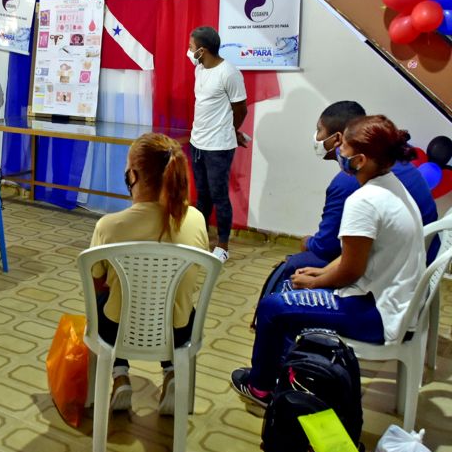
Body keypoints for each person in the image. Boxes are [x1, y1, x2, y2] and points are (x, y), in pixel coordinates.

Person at [232, 115, 425, 406]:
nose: (338, 152)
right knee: (290, 287)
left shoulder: (364, 201)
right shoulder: (391, 184)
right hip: (392, 299)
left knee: (273, 306)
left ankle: (261, 388)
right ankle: (289, 378)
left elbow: (350, 270)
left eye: (344, 147)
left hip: (376, 312)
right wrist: (321, 272)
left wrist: (317, 281)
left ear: (359, 160)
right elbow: (355, 256)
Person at [89, 133, 209, 415]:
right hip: (179, 332)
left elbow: (96, 278)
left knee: (103, 300)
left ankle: (119, 376)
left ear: (132, 175)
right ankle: (171, 373)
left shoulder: (110, 227)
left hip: (118, 331)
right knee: (174, 302)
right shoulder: (196, 219)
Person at [265, 101, 438, 295]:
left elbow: (331, 251)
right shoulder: (391, 174)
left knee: (291, 272)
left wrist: (314, 278)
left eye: (319, 130)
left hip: (384, 287)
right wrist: (324, 271)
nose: (340, 151)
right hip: (412, 264)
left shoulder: (356, 193)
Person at [187, 26, 247, 263]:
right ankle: (199, 237)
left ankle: (222, 245)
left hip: (218, 147)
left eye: (192, 48)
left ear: (202, 50)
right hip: (197, 142)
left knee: (219, 195)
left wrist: (231, 131)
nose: (189, 51)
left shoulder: (229, 73)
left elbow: (241, 109)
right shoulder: (200, 68)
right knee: (202, 195)